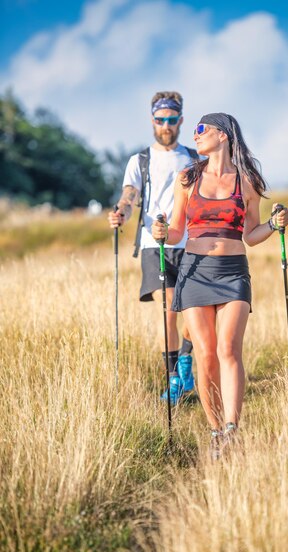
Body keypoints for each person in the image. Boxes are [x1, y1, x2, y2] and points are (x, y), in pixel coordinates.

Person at [151, 112, 288, 457]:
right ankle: (215, 432)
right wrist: (160, 234)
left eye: (201, 129)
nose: (195, 136)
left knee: (229, 349)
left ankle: (232, 429)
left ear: (223, 135)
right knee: (206, 355)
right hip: (195, 270)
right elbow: (177, 231)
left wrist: (274, 225)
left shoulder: (247, 181)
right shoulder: (188, 179)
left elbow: (251, 235)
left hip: (233, 272)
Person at [108, 91, 199, 405]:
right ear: (152, 121)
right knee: (169, 309)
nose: (166, 125)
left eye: (171, 120)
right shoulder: (140, 160)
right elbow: (130, 195)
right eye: (160, 120)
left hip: (190, 242)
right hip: (153, 244)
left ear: (180, 121)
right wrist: (121, 213)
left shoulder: (193, 157)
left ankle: (186, 360)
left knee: (195, 312)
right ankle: (174, 377)